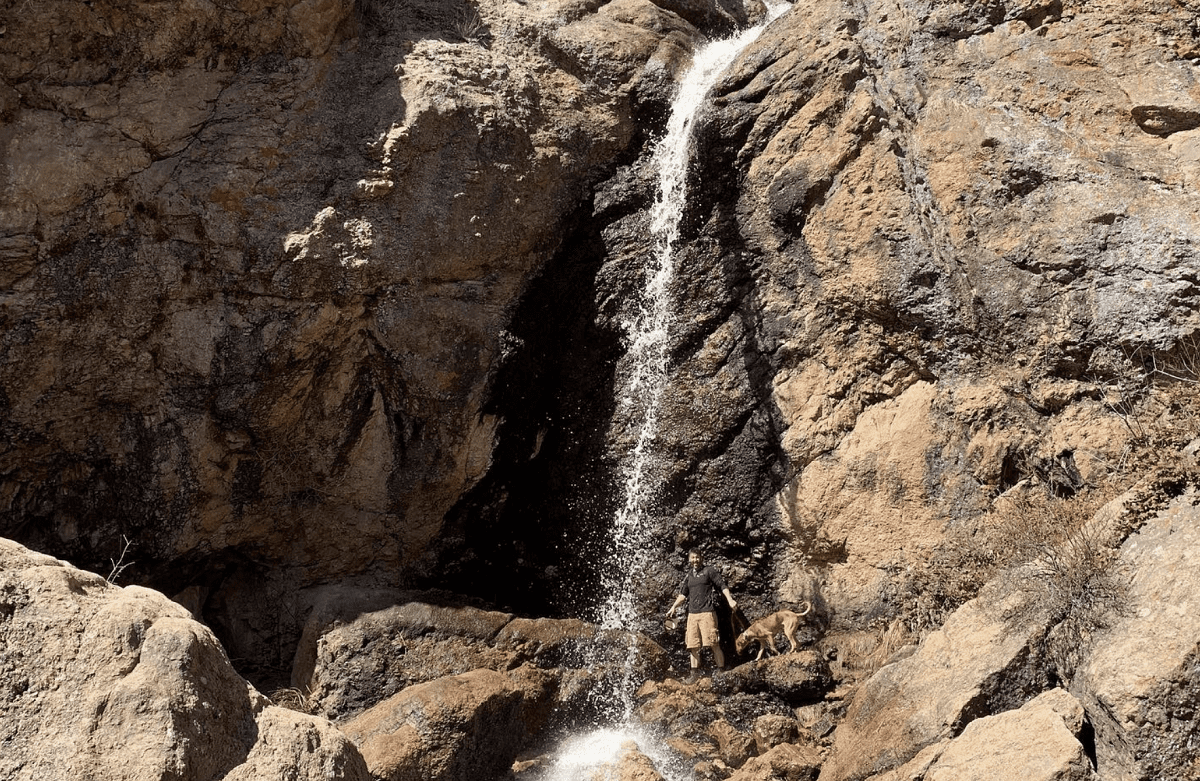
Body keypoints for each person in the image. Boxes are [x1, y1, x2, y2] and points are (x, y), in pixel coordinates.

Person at [666, 549, 737, 683]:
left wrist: (730, 600)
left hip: (707, 613)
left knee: (713, 643)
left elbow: (722, 585)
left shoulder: (709, 571)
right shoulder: (689, 576)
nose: (695, 560)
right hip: (692, 615)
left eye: (697, 557)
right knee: (692, 646)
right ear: (689, 560)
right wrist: (673, 607)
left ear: (701, 558)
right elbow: (683, 595)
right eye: (692, 558)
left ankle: (721, 671)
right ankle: (694, 674)